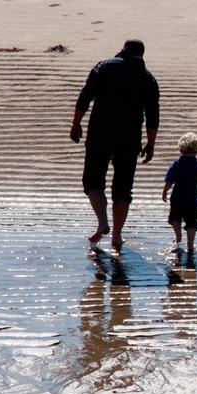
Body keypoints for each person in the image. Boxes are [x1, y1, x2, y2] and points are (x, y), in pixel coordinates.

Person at [69, 39, 160, 252]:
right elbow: (153, 116)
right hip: (128, 141)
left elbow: (85, 97)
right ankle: (117, 238)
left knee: (93, 181)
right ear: (142, 55)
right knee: (123, 189)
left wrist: (75, 124)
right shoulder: (148, 79)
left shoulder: (104, 66)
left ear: (122, 50)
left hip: (100, 135)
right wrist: (151, 144)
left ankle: (102, 222)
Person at [162, 132, 197, 254]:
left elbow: (170, 180)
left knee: (175, 218)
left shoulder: (177, 164)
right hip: (192, 201)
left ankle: (178, 238)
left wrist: (164, 192)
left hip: (177, 199)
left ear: (181, 148)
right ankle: (190, 245)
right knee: (191, 222)